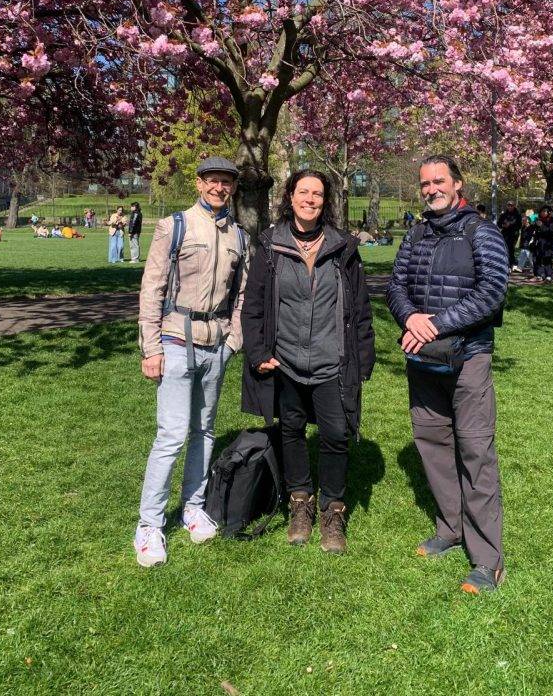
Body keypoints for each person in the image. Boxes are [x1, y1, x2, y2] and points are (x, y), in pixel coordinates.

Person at [387, 155, 509, 594]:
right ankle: (450, 528)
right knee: (433, 447)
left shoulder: (482, 232)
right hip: (424, 361)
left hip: (467, 360)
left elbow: (492, 292)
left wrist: (436, 324)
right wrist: (411, 318)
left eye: (439, 181)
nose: (431, 189)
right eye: (425, 183)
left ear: (458, 184)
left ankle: (487, 560)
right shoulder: (416, 233)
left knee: (475, 453)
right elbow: (396, 286)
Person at [241, 170, 375, 555]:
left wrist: (363, 356)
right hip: (286, 361)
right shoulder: (271, 245)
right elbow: (253, 307)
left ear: (325, 201)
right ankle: (300, 501)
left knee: (336, 434)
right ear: (290, 196)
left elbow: (360, 308)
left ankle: (333, 509)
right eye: (304, 192)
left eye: (317, 194)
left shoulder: (343, 247)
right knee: (292, 430)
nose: (310, 199)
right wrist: (258, 352)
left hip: (331, 361)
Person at [134, 157, 249, 568]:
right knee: (171, 434)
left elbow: (242, 294)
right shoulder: (175, 226)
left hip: (216, 344)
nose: (219, 188)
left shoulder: (239, 236)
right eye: (213, 181)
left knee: (204, 430)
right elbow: (152, 288)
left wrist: (233, 341)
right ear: (199, 183)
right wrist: (151, 348)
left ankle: (193, 506)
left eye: (226, 182)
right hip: (175, 339)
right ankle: (149, 524)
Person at [531, 206, 553, 283]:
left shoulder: (551, 221)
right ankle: (538, 276)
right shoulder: (539, 220)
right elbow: (534, 230)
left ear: (548, 212)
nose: (543, 212)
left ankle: (548, 276)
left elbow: (550, 232)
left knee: (547, 259)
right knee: (537, 259)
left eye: (545, 211)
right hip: (539, 243)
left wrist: (541, 226)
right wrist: (534, 224)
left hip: (547, 244)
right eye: (542, 211)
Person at [497, 200, 521, 271]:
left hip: (513, 234)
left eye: (511, 205)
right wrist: (503, 225)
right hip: (505, 234)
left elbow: (519, 225)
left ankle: (510, 265)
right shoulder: (503, 215)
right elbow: (499, 223)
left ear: (514, 206)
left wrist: (510, 225)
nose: (510, 207)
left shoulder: (517, 215)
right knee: (504, 249)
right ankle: (505, 264)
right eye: (508, 205)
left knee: (511, 249)